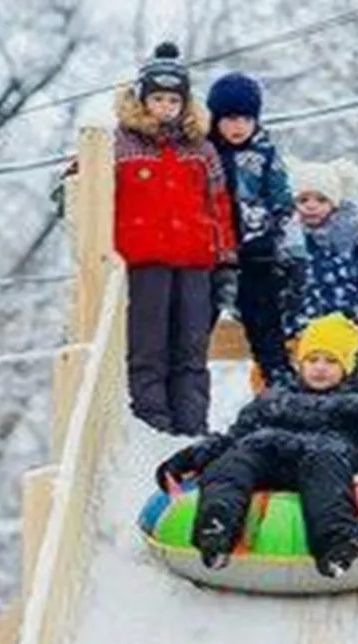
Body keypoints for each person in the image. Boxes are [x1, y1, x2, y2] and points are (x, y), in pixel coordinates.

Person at [156, 313, 358, 576]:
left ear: (349, 366)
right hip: (268, 454)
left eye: (331, 361)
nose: (320, 368)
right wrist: (191, 457)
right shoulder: (275, 398)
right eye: (312, 359)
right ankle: (217, 527)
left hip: (322, 457)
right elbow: (233, 437)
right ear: (300, 363)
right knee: (232, 462)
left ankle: (336, 543)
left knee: (326, 468)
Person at [115, 41, 235, 435]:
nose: (165, 106)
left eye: (173, 99)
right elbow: (86, 187)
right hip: (144, 260)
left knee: (190, 349)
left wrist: (226, 259)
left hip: (195, 260)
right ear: (142, 100)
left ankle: (191, 427)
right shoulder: (122, 146)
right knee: (149, 349)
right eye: (158, 98)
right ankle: (153, 427)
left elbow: (218, 205)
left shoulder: (200, 149)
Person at [203, 71, 296, 385]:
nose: (238, 127)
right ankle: (186, 390)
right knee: (197, 323)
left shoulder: (264, 154)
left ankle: (279, 383)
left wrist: (273, 235)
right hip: (213, 256)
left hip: (256, 254)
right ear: (215, 120)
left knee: (265, 323)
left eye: (245, 119)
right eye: (229, 119)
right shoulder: (205, 153)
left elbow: (282, 199)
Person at [282, 158, 358, 340]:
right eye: (302, 199)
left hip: (340, 324)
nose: (311, 206)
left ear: (334, 204)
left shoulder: (349, 238)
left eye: (321, 200)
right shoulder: (284, 238)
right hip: (294, 327)